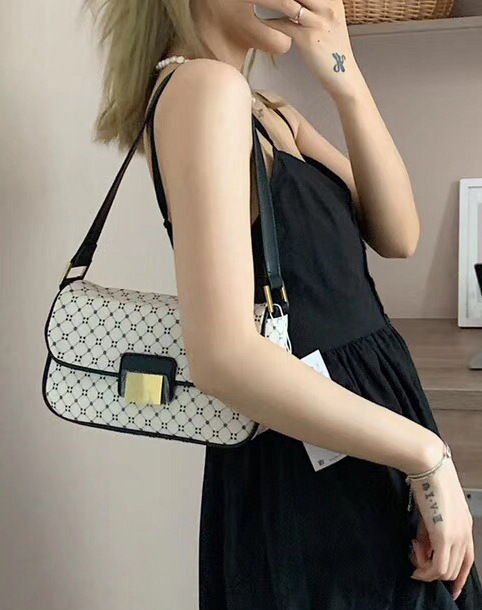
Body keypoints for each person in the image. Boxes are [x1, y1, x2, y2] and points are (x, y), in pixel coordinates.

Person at [83, 0, 482, 607]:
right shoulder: (203, 90)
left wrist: (344, 75)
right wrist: (425, 455)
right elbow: (222, 357)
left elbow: (399, 234)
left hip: (359, 434)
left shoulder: (266, 111)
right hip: (316, 467)